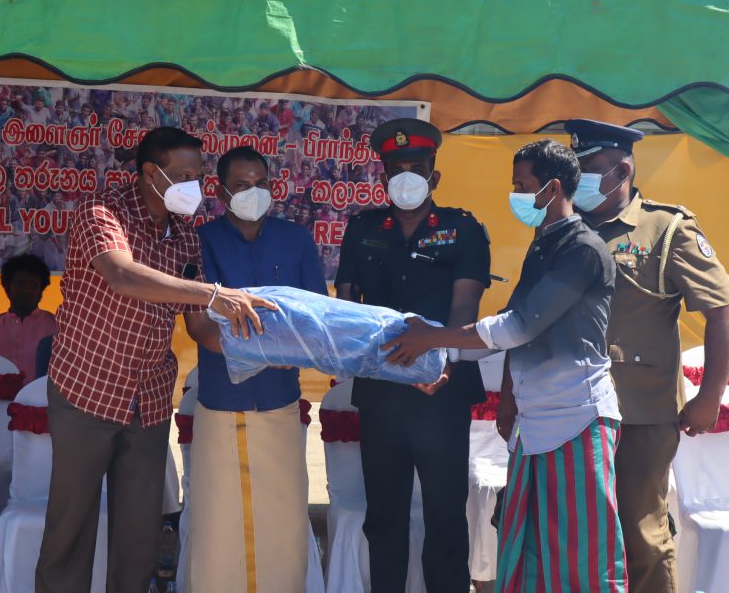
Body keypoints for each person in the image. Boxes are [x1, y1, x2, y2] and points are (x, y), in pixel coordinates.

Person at [35, 127, 276, 593]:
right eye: (184, 176)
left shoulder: (185, 237)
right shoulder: (101, 211)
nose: (195, 186)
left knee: (139, 534)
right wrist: (214, 293)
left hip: (147, 399)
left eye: (198, 176)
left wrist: (265, 347)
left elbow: (200, 328)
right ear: (151, 172)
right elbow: (123, 275)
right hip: (86, 389)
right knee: (70, 527)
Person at [388, 138, 626, 592]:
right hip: (532, 425)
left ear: (552, 189)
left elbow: (517, 327)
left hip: (577, 421)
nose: (514, 194)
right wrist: (447, 360)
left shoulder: (582, 250)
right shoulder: (543, 247)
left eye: (522, 185)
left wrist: (432, 338)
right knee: (527, 548)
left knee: (582, 555)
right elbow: (509, 333)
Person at [568, 119, 729, 593]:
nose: (578, 180)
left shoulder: (666, 229)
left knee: (641, 535)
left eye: (589, 169)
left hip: (639, 412)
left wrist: (710, 396)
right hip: (569, 408)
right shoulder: (567, 226)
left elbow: (725, 311)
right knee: (577, 533)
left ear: (622, 171)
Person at [335, 118, 490, 593]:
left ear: (433, 175)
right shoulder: (361, 229)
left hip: (440, 393)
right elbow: (347, 308)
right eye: (396, 170)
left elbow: (465, 306)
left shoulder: (464, 230)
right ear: (383, 177)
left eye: (416, 169)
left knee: (445, 516)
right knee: (384, 516)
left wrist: (440, 361)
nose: (406, 178)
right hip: (382, 394)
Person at [186, 146, 327, 591]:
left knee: (283, 524)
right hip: (220, 401)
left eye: (261, 184)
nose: (253, 192)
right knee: (217, 524)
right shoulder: (199, 241)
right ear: (220, 192)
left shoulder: (296, 239)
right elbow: (200, 327)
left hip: (279, 402)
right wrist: (272, 345)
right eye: (242, 185)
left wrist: (276, 345)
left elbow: (315, 320)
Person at [0, 253, 57, 383]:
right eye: (20, 283)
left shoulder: (58, 327)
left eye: (33, 285)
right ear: (7, 287)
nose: (26, 290)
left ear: (41, 290)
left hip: (44, 395)